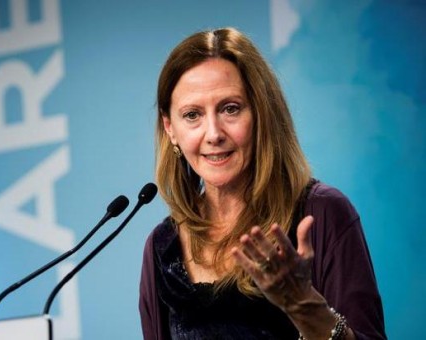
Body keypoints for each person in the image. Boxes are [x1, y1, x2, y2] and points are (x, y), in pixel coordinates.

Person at [138, 27, 386, 340]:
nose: (213, 133)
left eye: (230, 109)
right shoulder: (163, 248)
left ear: (261, 114)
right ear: (170, 128)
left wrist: (304, 307)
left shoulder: (321, 215)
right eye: (192, 115)